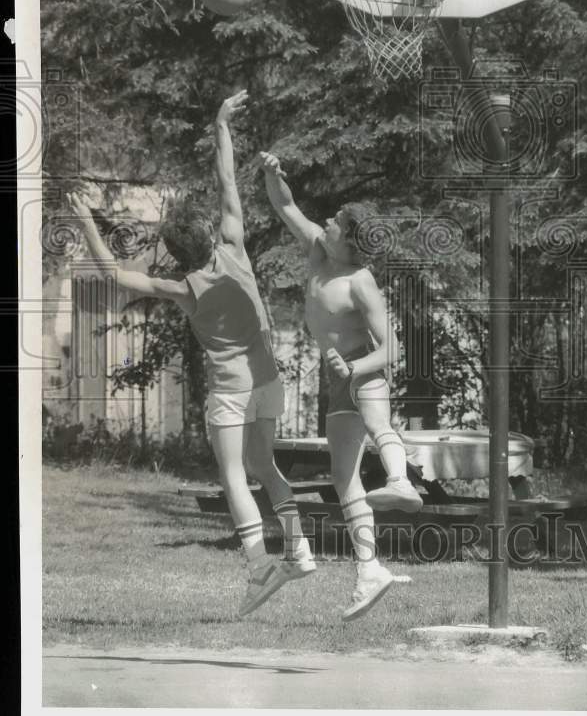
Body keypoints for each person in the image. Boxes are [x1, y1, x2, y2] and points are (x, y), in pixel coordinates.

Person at [68, 91, 315, 618]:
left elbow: (113, 276)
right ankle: (300, 548)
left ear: (177, 252)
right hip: (268, 380)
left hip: (230, 389)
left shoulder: (184, 288)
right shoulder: (234, 246)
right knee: (264, 465)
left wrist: (88, 220)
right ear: (207, 234)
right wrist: (220, 122)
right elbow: (228, 182)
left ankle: (260, 568)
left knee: (232, 477)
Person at [260, 150, 422, 621]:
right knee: (343, 478)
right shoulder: (317, 249)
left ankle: (400, 481)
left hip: (365, 369)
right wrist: (273, 174)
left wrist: (355, 369)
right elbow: (286, 206)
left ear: (349, 240)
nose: (325, 219)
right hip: (338, 378)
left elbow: (393, 349)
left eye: (334, 221)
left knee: (377, 422)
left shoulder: (360, 282)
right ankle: (370, 572)